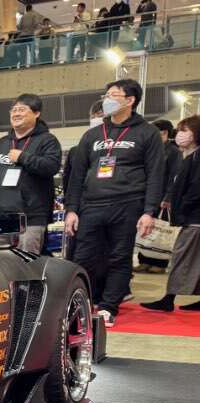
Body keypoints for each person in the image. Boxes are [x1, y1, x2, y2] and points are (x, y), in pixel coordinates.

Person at [64, 79, 165, 327]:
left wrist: (149, 211)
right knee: (84, 257)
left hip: (128, 203)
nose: (106, 100)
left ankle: (108, 306)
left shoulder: (147, 133)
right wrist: (72, 209)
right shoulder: (93, 134)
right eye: (106, 95)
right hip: (91, 205)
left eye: (113, 95)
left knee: (119, 257)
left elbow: (156, 174)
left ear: (130, 100)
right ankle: (81, 302)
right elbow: (77, 175)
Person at [0, 93, 63, 254]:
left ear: (36, 113)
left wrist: (23, 157)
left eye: (22, 109)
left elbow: (51, 167)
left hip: (31, 216)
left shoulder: (48, 140)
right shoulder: (1, 143)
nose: (16, 113)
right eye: (14, 110)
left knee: (27, 262)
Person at [142, 115, 200, 311]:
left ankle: (168, 298)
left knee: (181, 257)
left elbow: (195, 188)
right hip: (193, 217)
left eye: (184, 130)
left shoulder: (196, 157)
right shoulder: (190, 156)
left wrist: (182, 208)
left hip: (194, 219)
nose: (179, 134)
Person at [62, 100, 108, 261]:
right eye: (94, 116)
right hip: (81, 208)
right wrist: (70, 207)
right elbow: (69, 181)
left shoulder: (117, 150)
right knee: (77, 251)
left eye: (101, 116)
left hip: (109, 207)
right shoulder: (76, 150)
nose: (97, 119)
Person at [134, 118, 181, 272]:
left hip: (162, 196)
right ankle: (144, 259)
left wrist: (168, 196)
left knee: (161, 229)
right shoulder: (152, 149)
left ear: (164, 133)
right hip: (148, 194)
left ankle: (159, 263)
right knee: (146, 228)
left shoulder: (173, 151)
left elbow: (175, 175)